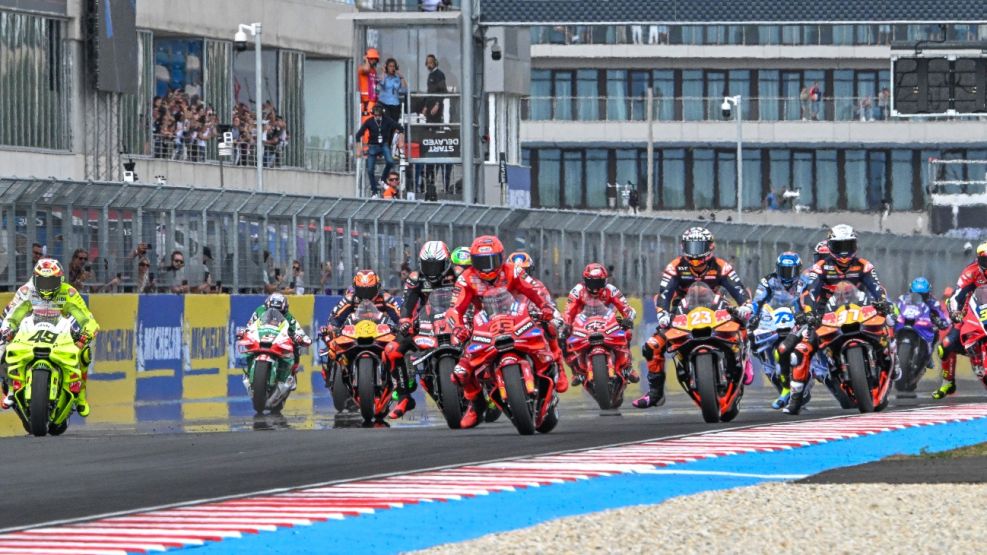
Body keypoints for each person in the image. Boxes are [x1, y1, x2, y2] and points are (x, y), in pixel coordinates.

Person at [448, 236, 565, 428]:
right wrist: (458, 327)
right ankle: (477, 404)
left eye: (491, 260)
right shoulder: (465, 279)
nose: (487, 267)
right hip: (484, 324)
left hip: (518, 317)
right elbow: (454, 308)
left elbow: (534, 290)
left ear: (501, 258)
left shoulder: (514, 270)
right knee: (460, 372)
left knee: (550, 328)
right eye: (481, 262)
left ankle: (554, 368)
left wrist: (545, 307)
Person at [635, 227, 753, 409]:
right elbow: (665, 293)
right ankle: (655, 393)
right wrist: (663, 313)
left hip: (715, 307)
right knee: (652, 346)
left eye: (700, 246)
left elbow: (738, 289)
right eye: (692, 246)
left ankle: (745, 359)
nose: (695, 252)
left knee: (741, 322)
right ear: (684, 247)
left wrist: (745, 305)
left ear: (710, 247)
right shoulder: (675, 266)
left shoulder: (721, 266)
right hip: (682, 311)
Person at [785, 225, 891, 414]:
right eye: (839, 246)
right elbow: (810, 292)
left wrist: (882, 301)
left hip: (860, 309)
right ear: (831, 246)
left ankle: (891, 364)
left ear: (855, 245)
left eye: (847, 245)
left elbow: (876, 286)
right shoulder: (820, 268)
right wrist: (809, 312)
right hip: (826, 315)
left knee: (887, 328)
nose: (844, 252)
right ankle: (796, 396)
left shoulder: (864, 265)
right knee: (801, 350)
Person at [0, 259, 99, 416]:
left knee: (85, 352)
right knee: (3, 345)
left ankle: (81, 395)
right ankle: (10, 389)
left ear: (60, 280)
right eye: (42, 282)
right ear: (34, 279)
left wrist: (84, 336)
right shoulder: (26, 291)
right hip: (29, 332)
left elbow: (88, 320)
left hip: (61, 333)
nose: (46, 287)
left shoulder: (69, 293)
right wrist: (7, 330)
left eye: (51, 282)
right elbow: (11, 316)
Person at [383, 241, 459, 419]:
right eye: (427, 265)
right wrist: (405, 321)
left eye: (436, 265)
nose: (432, 270)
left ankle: (490, 382)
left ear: (446, 262)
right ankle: (404, 396)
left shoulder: (457, 274)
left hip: (456, 320)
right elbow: (408, 304)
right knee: (392, 350)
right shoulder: (415, 278)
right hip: (427, 321)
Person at [563, 263, 638, 386]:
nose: (595, 287)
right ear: (585, 281)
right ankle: (576, 370)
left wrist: (628, 318)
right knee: (564, 339)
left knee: (627, 332)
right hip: (582, 324)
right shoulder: (577, 291)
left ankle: (627, 366)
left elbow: (625, 307)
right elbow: (568, 311)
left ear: (605, 281)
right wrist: (566, 325)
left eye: (598, 283)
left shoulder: (611, 290)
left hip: (607, 321)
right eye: (592, 283)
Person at [750, 252, 803, 409]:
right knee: (755, 341)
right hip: (772, 320)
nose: (788, 275)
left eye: (791, 271)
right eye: (784, 270)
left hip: (797, 318)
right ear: (777, 269)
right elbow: (757, 301)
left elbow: (809, 299)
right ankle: (773, 372)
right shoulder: (768, 280)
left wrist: (807, 312)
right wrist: (753, 316)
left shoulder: (804, 281)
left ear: (798, 270)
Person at [937, 242, 987, 399]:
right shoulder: (971, 272)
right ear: (979, 259)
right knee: (945, 346)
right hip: (971, 315)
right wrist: (954, 312)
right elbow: (956, 296)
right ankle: (948, 382)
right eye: (985, 260)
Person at [508, 251, 567, 382]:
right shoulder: (502, 287)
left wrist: (554, 316)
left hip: (532, 322)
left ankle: (559, 365)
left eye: (524, 271)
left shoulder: (537, 285)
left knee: (550, 328)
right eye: (517, 271)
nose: (520, 275)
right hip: (507, 325)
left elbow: (549, 303)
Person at [242, 293, 312, 389]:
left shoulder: (289, 317)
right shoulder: (260, 310)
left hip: (279, 338)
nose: (275, 313)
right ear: (266, 306)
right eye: (271, 309)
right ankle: (249, 371)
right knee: (248, 347)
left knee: (296, 346)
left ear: (285, 310)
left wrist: (301, 337)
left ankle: (292, 373)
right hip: (262, 336)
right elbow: (250, 325)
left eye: (279, 311)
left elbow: (298, 330)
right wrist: (245, 331)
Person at [322, 270, 401, 335]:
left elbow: (400, 318)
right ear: (355, 287)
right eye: (361, 290)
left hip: (381, 336)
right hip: (353, 337)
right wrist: (332, 328)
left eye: (369, 290)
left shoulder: (385, 298)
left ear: (377, 287)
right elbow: (334, 319)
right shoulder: (350, 298)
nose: (365, 294)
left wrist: (401, 327)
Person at [355, 104, 405, 197]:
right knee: (370, 170)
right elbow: (358, 135)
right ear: (373, 114)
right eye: (376, 115)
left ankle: (382, 179)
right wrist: (359, 148)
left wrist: (401, 139)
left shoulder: (387, 120)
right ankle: (374, 191)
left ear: (382, 114)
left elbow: (400, 128)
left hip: (383, 145)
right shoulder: (369, 121)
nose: (377, 117)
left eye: (379, 115)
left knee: (390, 161)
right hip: (373, 146)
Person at [378, 58, 408, 122]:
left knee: (394, 124)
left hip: (395, 104)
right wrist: (383, 71)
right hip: (384, 103)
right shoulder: (384, 76)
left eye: (393, 66)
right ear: (387, 67)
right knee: (386, 122)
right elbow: (381, 83)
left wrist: (401, 76)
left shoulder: (397, 78)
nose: (392, 68)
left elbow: (404, 90)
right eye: (390, 66)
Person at [358, 48, 380, 116]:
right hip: (364, 100)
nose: (374, 61)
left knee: (372, 119)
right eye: (371, 59)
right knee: (365, 119)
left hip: (372, 99)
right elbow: (366, 69)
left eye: (375, 59)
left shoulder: (374, 70)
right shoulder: (361, 68)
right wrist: (367, 59)